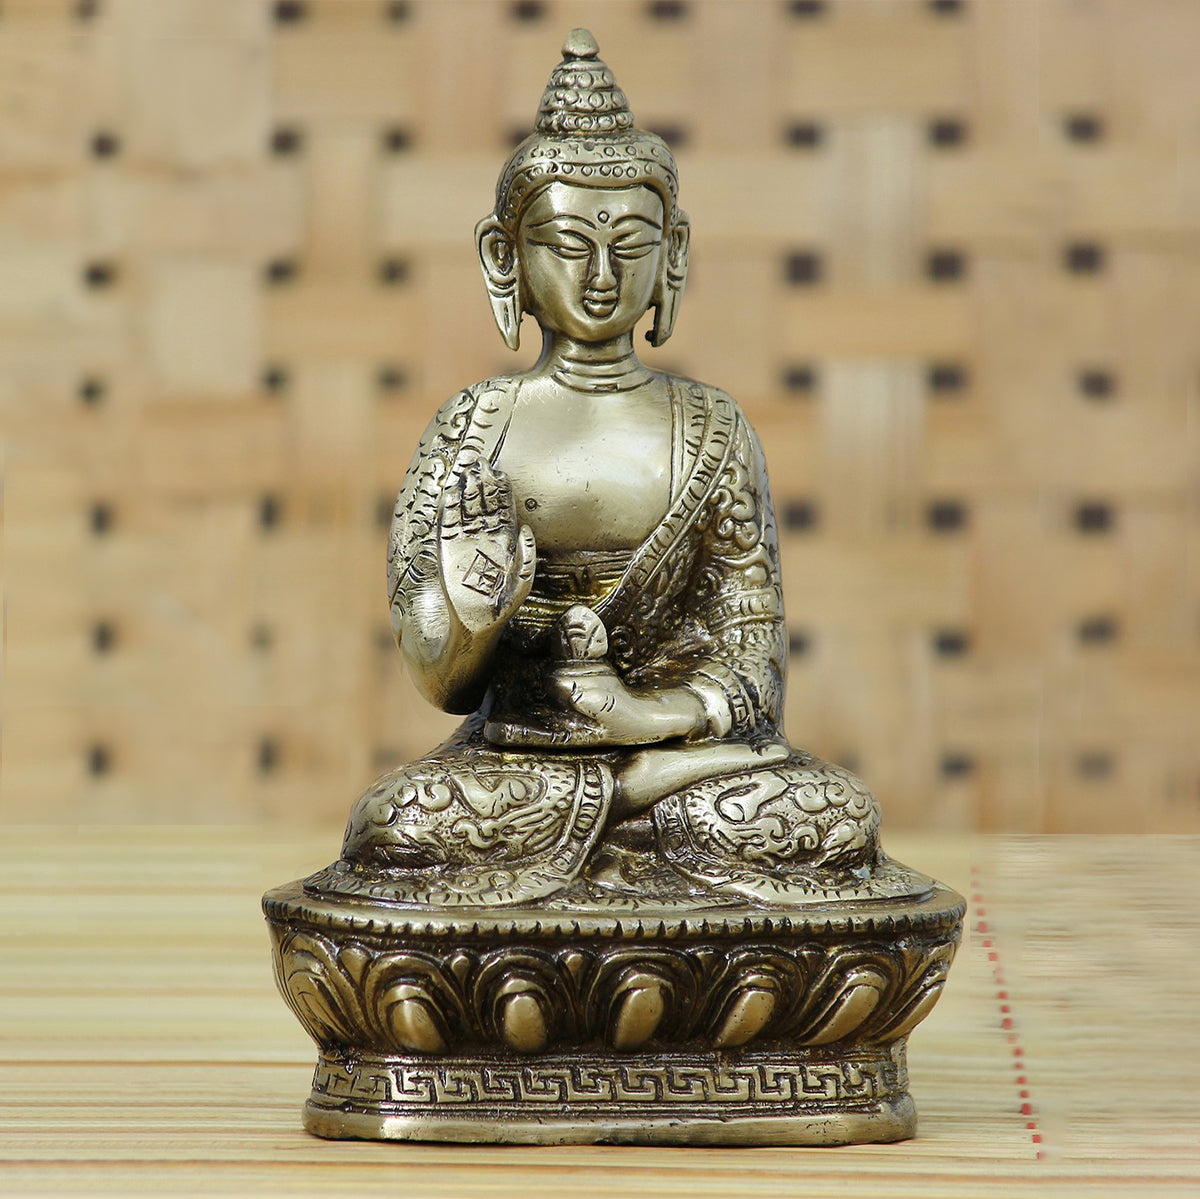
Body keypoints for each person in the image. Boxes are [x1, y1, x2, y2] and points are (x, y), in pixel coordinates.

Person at [320, 30, 884, 909]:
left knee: (833, 818)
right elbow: (436, 679)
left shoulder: (715, 427)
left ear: (675, 251)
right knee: (400, 824)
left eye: (631, 242)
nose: (600, 274)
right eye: (566, 242)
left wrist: (647, 718)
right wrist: (470, 617)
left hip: (686, 767)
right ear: (504, 255)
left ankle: (630, 811)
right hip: (516, 769)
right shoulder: (473, 428)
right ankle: (627, 817)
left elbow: (754, 655)